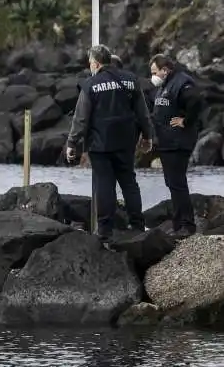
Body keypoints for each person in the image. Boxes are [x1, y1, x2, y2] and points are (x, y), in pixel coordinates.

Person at [66, 45, 153, 241]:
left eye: (90, 63)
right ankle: (137, 225)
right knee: (129, 182)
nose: (90, 66)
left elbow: (81, 118)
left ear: (96, 63)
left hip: (100, 143)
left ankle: (105, 229)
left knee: (105, 184)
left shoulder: (90, 85)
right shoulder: (132, 80)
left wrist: (72, 143)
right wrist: (148, 136)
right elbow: (142, 113)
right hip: (126, 141)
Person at [149, 54, 200, 237]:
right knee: (172, 182)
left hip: (178, 141)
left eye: (155, 72)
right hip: (167, 141)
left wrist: (185, 121)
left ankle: (187, 224)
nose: (152, 76)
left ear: (165, 69)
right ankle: (178, 223)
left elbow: (195, 101)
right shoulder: (165, 84)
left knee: (177, 183)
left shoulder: (182, 82)